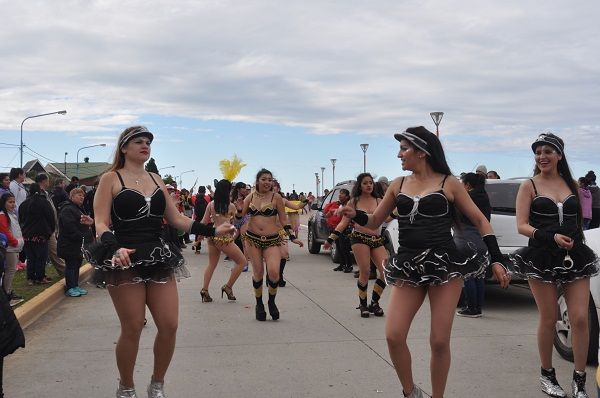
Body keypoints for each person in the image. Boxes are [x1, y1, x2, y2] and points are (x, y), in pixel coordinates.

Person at [342, 126, 509, 398]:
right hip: (408, 263)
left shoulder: (449, 183)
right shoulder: (398, 184)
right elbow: (374, 223)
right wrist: (356, 215)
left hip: (444, 265)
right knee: (394, 335)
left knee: (439, 341)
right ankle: (411, 393)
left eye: (404, 148)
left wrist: (497, 259)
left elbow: (480, 221)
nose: (399, 154)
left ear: (422, 152)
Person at [85, 126, 234, 398]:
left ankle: (157, 384)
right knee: (132, 326)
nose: (145, 145)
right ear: (124, 148)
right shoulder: (110, 178)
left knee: (169, 325)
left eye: (149, 142)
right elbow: (101, 222)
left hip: (157, 254)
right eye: (139, 141)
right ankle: (126, 387)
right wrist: (114, 246)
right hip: (123, 255)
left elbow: (177, 220)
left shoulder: (155, 178)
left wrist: (213, 231)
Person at [511, 133, 599, 398]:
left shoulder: (572, 184)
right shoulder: (529, 185)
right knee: (549, 318)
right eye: (538, 152)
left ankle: (579, 379)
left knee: (581, 318)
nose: (542, 157)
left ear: (559, 155)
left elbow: (579, 219)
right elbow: (521, 225)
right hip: (541, 256)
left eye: (548, 151)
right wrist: (550, 237)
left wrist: (575, 240)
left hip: (574, 256)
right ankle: (547, 375)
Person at [240, 169, 302, 321]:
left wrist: (292, 237)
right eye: (264, 179)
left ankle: (271, 302)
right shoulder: (250, 196)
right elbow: (240, 216)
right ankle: (259, 304)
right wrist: (236, 211)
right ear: (258, 181)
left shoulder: (277, 197)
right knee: (258, 272)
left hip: (272, 240)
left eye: (269, 179)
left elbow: (283, 219)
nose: (267, 182)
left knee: (274, 273)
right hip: (253, 240)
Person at [328, 173, 388, 318]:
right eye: (365, 183)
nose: (369, 185)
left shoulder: (379, 201)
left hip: (376, 239)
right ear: (359, 186)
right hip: (359, 238)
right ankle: (363, 304)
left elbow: (387, 217)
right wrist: (331, 239)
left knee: (386, 272)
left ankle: (374, 303)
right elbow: (343, 222)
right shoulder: (353, 202)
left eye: (371, 183)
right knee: (365, 271)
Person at [199, 179, 247, 302]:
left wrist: (200, 234)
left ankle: (204, 289)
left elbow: (204, 222)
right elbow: (237, 220)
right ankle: (228, 287)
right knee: (242, 262)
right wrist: (240, 209)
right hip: (224, 238)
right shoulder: (230, 205)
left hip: (212, 235)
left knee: (211, 264)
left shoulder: (211, 204)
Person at [454, 172, 491, 318]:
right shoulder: (485, 197)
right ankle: (478, 308)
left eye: (462, 184)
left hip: (465, 239)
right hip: (481, 239)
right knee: (479, 275)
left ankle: (470, 308)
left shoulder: (467, 198)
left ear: (468, 185)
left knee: (468, 275)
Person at [57, 188, 94, 297]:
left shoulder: (78, 208)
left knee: (76, 264)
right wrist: (80, 235)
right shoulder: (67, 209)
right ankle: (70, 287)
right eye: (79, 195)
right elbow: (69, 226)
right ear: (72, 196)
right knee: (71, 265)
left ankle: (75, 285)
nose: (82, 197)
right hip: (69, 243)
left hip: (77, 243)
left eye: (82, 195)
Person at [18, 183, 55, 285]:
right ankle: (40, 277)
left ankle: (30, 278)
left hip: (27, 235)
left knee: (30, 257)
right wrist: (50, 231)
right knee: (41, 257)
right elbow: (51, 218)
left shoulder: (23, 204)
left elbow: (20, 219)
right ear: (40, 191)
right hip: (41, 235)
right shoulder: (44, 202)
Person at [0, 193, 25, 306]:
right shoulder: (2, 215)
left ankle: (8, 292)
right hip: (10, 248)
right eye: (10, 202)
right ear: (3, 203)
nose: (13, 204)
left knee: (11, 271)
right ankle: (7, 295)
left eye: (14, 202)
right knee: (10, 271)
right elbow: (5, 230)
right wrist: (14, 242)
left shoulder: (10, 214)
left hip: (14, 247)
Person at [324, 189, 353, 273]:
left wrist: (334, 211)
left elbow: (345, 215)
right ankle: (342, 264)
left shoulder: (348, 204)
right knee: (339, 247)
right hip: (337, 229)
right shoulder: (339, 204)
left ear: (347, 196)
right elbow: (327, 214)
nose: (340, 195)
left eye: (342, 194)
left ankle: (349, 265)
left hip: (345, 229)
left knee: (345, 247)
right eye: (339, 194)